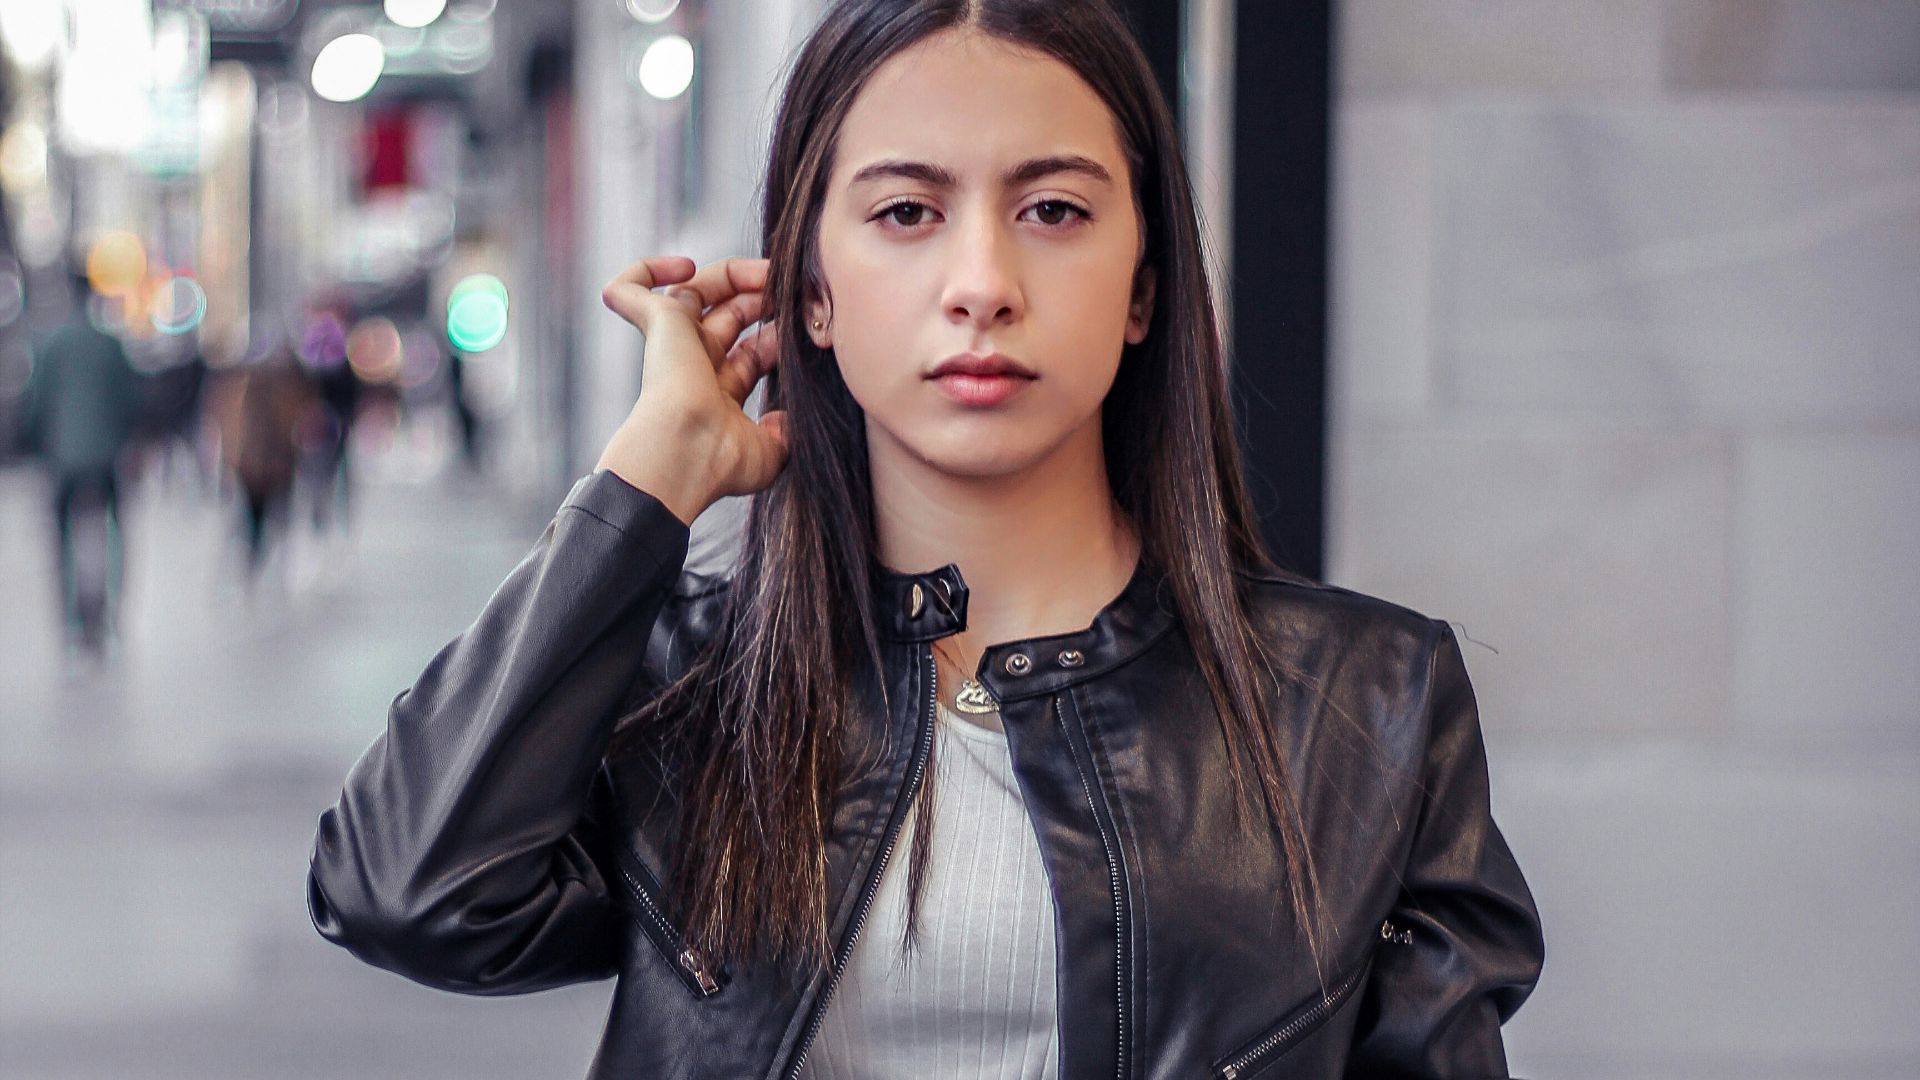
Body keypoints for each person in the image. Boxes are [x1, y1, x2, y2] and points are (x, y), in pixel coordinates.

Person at [306, 2, 1545, 1077]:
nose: (982, 282)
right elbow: (405, 890)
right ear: (813, 293)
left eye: (1053, 209)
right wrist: (649, 479)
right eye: (907, 211)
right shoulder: (693, 691)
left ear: (1142, 288)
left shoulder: (1365, 706)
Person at [21, 271, 142, 663]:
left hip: (64, 458)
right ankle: (108, 615)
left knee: (62, 539)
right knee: (114, 532)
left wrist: (38, 445)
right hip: (106, 457)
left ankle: (70, 621)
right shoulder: (110, 343)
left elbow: (36, 404)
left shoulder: (51, 343)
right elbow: (131, 400)